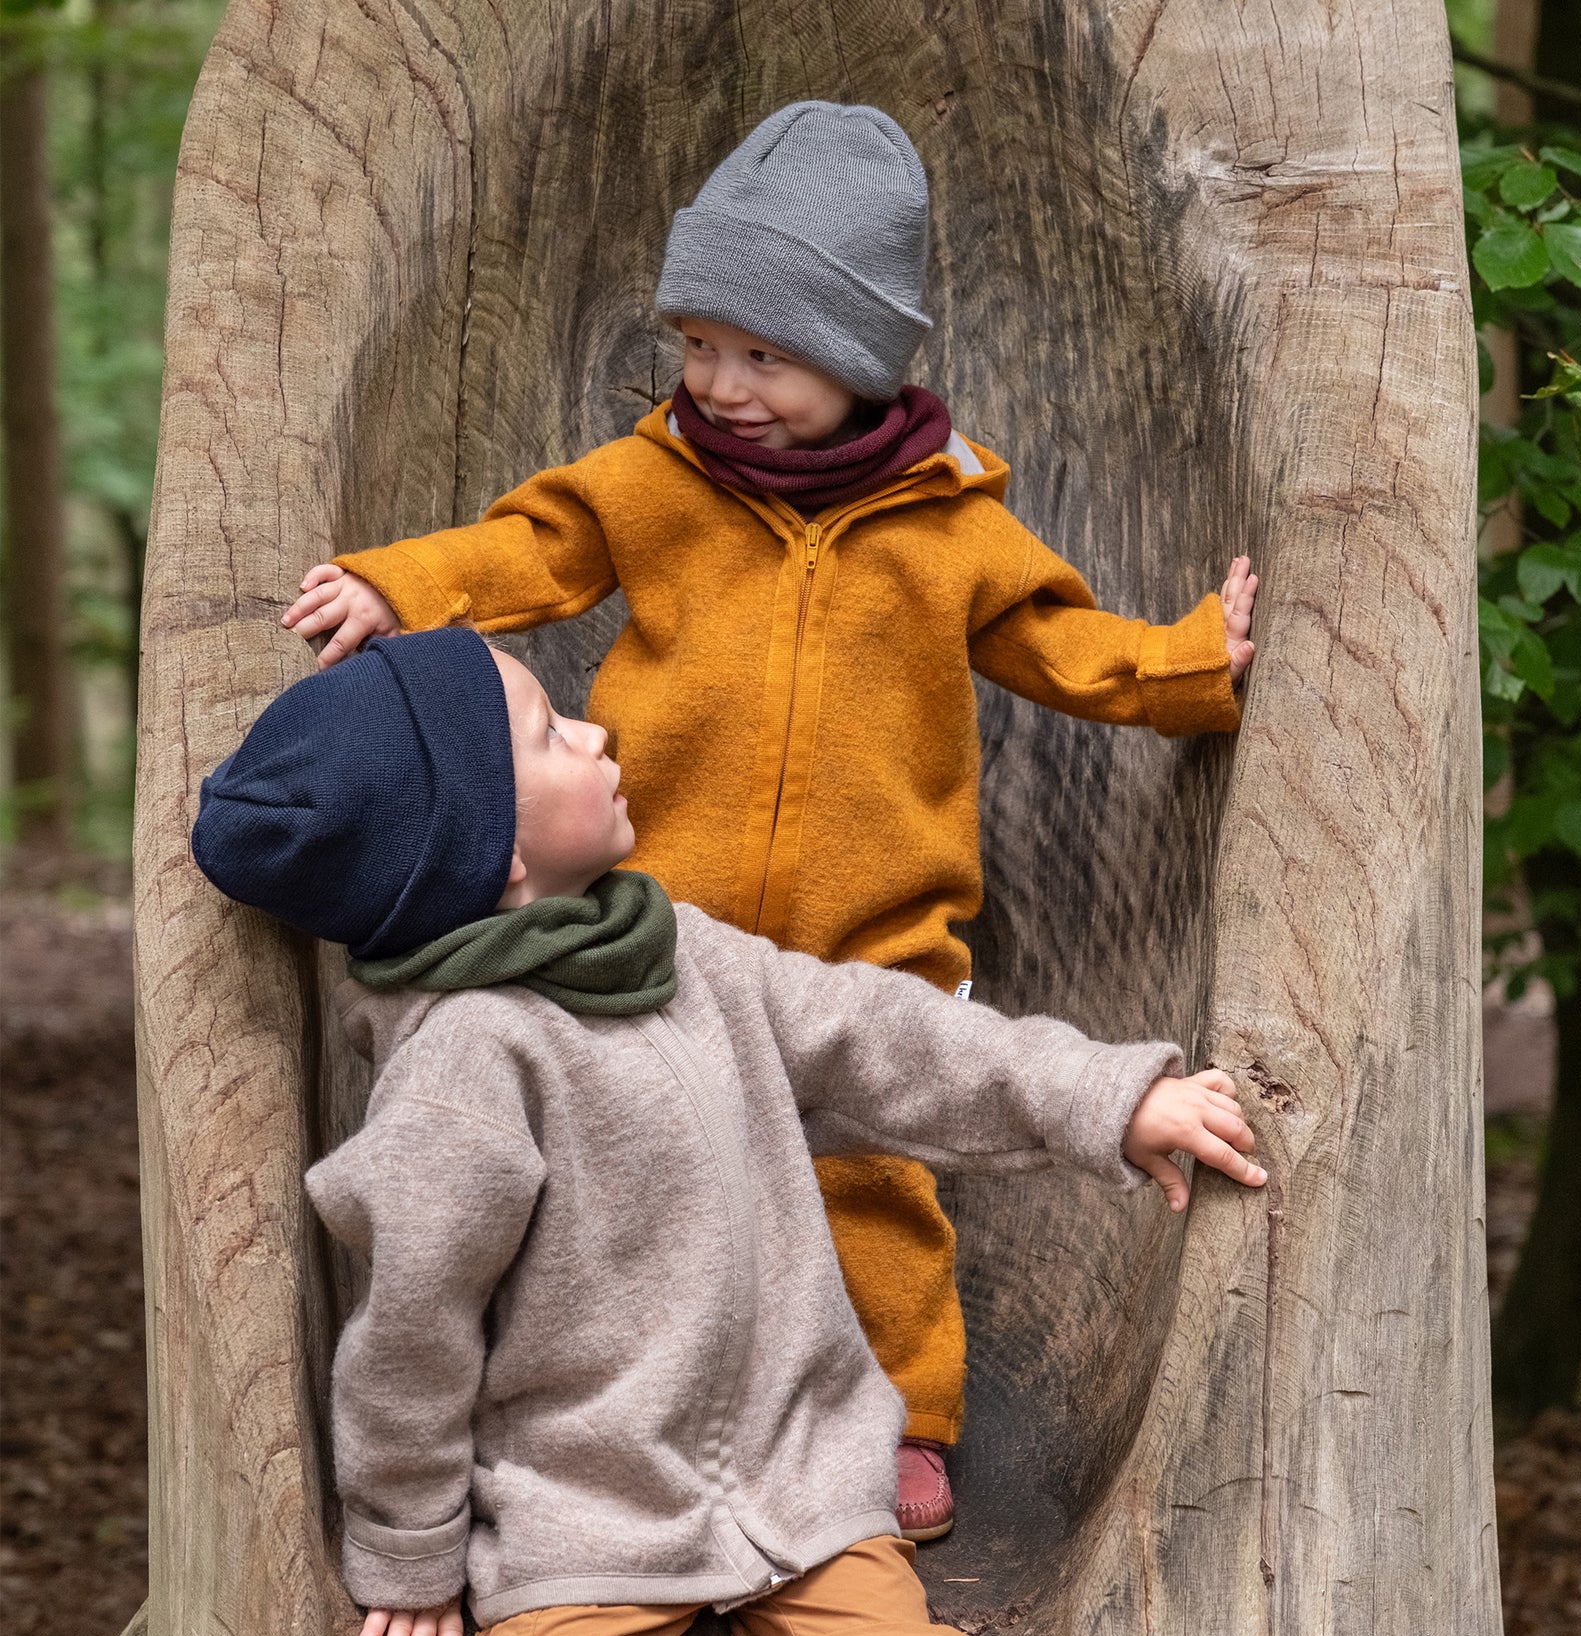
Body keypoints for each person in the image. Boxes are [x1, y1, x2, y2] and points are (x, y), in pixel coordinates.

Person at [277, 100, 1259, 1541]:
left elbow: (1061, 644)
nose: (722, 385)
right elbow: (525, 551)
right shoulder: (651, 483)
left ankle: (909, 1420)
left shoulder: (948, 527)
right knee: (648, 1178)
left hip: (876, 927)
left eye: (766, 356)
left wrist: (1188, 668)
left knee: (872, 1175)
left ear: (859, 360)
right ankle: (655, 1422)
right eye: (699, 346)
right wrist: (398, 587)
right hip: (661, 926)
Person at [192, 626, 1266, 1636]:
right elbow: (411, 1340)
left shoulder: (685, 955)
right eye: (550, 734)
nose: (595, 736)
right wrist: (411, 1554)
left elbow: (888, 1040)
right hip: (576, 1516)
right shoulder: (465, 1067)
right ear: (501, 855)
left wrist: (1105, 1096)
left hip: (802, 1482)